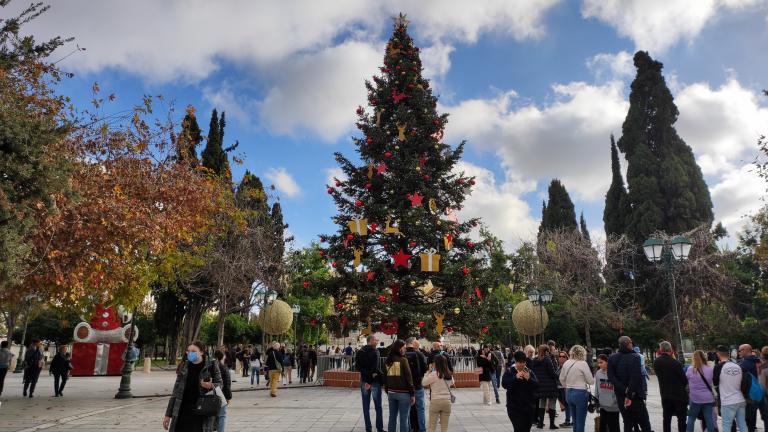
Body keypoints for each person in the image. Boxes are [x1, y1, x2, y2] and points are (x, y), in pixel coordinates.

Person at [163, 341, 222, 432]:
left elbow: (220, 384)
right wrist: (168, 415)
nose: (190, 353)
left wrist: (210, 385)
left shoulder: (211, 365)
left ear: (202, 352)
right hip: (182, 411)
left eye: (193, 351)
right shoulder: (184, 366)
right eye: (188, 351)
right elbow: (176, 391)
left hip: (202, 411)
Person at [608, 336, 652, 432]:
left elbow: (611, 377)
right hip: (634, 395)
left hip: (620, 395)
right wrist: (629, 392)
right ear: (629, 344)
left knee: (627, 422)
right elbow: (635, 377)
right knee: (644, 423)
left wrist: (624, 390)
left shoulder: (612, 358)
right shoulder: (635, 357)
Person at [654, 341, 689, 432]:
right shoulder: (675, 363)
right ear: (670, 349)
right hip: (679, 395)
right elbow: (684, 380)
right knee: (681, 419)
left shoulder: (657, 362)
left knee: (666, 418)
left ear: (661, 350)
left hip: (665, 394)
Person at [713, 345, 748, 432]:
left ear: (718, 354)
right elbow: (743, 383)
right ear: (728, 355)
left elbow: (715, 383)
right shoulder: (737, 366)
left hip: (727, 400)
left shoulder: (718, 367)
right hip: (740, 399)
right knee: (742, 424)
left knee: (726, 426)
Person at [560, 345, 595, 432]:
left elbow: (561, 378)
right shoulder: (583, 364)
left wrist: (566, 385)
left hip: (568, 393)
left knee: (575, 420)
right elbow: (591, 381)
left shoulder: (566, 363)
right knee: (580, 421)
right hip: (580, 393)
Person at [503, 350, 540, 432]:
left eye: (523, 362)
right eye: (520, 362)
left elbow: (537, 385)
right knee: (518, 429)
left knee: (526, 429)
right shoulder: (510, 371)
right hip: (514, 408)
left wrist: (529, 379)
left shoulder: (528, 371)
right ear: (515, 361)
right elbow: (504, 384)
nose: (522, 364)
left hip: (528, 407)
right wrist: (515, 378)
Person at [385, 339, 415, 432]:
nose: (405, 349)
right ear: (399, 348)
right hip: (403, 393)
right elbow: (409, 378)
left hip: (391, 392)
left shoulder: (387, 361)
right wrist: (412, 393)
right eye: (404, 348)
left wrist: (387, 390)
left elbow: (384, 378)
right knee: (403, 419)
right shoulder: (403, 360)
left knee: (392, 417)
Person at [357, 335, 384, 432]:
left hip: (364, 381)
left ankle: (368, 428)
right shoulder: (375, 351)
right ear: (371, 341)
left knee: (365, 406)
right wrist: (370, 381)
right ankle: (380, 429)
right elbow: (375, 368)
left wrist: (366, 379)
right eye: (376, 340)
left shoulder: (360, 351)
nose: (377, 341)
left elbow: (358, 367)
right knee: (378, 406)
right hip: (374, 381)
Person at [422, 354, 454, 432]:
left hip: (436, 401)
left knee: (432, 427)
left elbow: (423, 383)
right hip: (447, 402)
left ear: (436, 363)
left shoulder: (434, 374)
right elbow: (452, 383)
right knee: (444, 427)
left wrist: (428, 372)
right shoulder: (449, 374)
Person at [686, 350, 716, 432]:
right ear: (704, 357)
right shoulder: (710, 369)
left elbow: (686, 380)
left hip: (695, 398)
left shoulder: (690, 369)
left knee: (691, 418)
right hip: (708, 398)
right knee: (709, 418)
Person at [533, 344, 561, 429]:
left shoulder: (535, 360)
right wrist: (559, 377)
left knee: (542, 403)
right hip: (550, 386)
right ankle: (552, 424)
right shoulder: (547, 360)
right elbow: (552, 373)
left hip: (540, 385)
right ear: (546, 351)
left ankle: (540, 423)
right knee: (552, 403)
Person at [405, 338, 428, 432]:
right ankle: (421, 428)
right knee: (420, 408)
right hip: (418, 384)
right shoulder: (419, 354)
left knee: (409, 409)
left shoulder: (403, 354)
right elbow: (424, 368)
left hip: (406, 386)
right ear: (413, 343)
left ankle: (411, 428)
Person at [738, 344, 761, 432]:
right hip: (758, 391)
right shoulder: (759, 360)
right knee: (752, 413)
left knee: (748, 416)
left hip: (748, 392)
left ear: (745, 350)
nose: (739, 352)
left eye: (740, 350)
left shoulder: (746, 363)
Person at [595, 354, 620, 432]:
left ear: (607, 362)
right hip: (603, 405)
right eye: (598, 363)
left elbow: (618, 387)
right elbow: (597, 388)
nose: (599, 365)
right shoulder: (598, 373)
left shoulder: (615, 372)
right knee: (603, 427)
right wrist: (596, 401)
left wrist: (615, 399)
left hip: (614, 406)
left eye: (601, 362)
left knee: (614, 427)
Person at [213, 349, 232, 432]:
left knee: (213, 415)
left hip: (211, 394)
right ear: (223, 356)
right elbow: (227, 384)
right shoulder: (224, 368)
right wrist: (228, 397)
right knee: (222, 415)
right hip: (222, 394)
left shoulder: (211, 367)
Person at [557, 350, 573, 428]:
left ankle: (568, 421)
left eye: (563, 356)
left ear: (567, 357)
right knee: (567, 405)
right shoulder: (560, 366)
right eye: (560, 356)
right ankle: (570, 421)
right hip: (560, 388)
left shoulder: (567, 366)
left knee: (568, 405)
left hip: (565, 388)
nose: (561, 358)